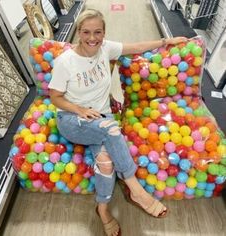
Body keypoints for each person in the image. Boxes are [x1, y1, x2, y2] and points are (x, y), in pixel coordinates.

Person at [49, 8, 187, 236]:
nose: (92, 38)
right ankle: (136, 190)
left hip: (101, 118)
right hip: (72, 119)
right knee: (110, 129)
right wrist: (80, 109)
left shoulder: (105, 48)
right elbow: (55, 97)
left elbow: (136, 47)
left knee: (105, 162)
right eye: (86, 32)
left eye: (97, 32)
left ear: (104, 33)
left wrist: (166, 40)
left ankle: (102, 210)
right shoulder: (65, 62)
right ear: (78, 33)